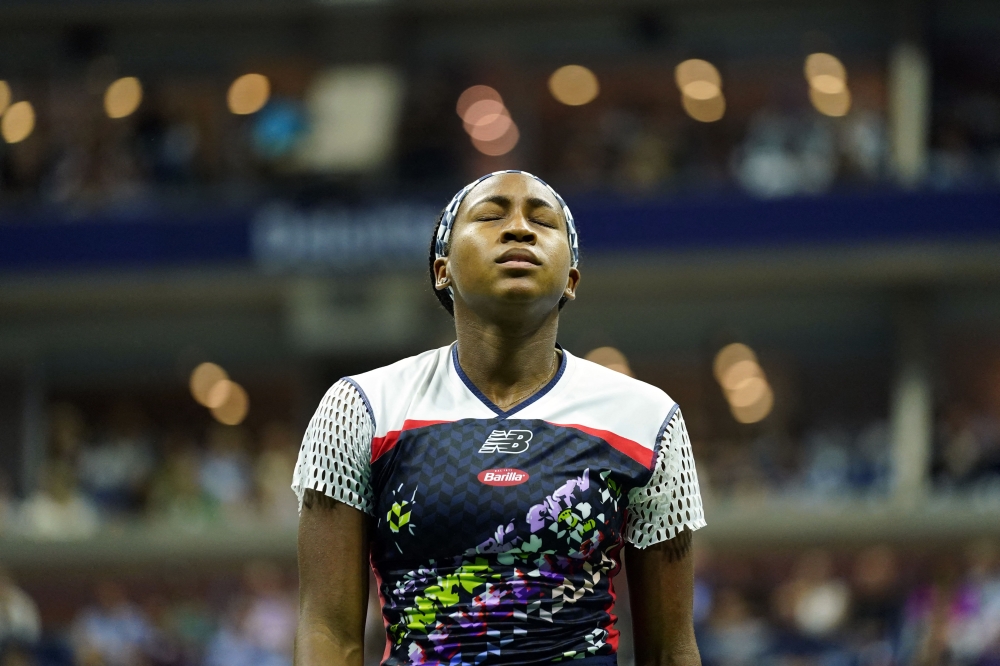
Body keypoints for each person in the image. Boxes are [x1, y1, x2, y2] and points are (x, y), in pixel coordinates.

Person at [292, 170, 706, 666]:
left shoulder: (646, 417)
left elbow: (670, 649)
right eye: (490, 216)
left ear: (571, 279)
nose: (519, 229)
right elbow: (328, 632)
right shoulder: (361, 407)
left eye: (543, 221)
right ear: (441, 270)